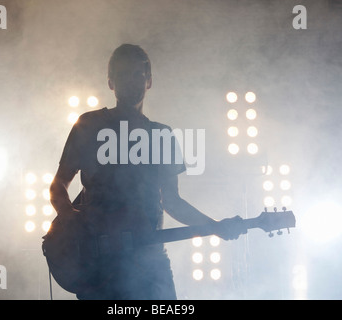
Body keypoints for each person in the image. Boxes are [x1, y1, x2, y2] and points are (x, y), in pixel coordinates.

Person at [49, 44, 245, 300]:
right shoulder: (89, 125)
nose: (131, 81)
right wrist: (71, 219)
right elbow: (58, 186)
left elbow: (172, 202)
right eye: (123, 74)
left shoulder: (162, 135)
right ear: (111, 82)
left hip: (150, 263)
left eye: (138, 74)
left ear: (149, 81)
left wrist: (215, 226)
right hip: (99, 268)